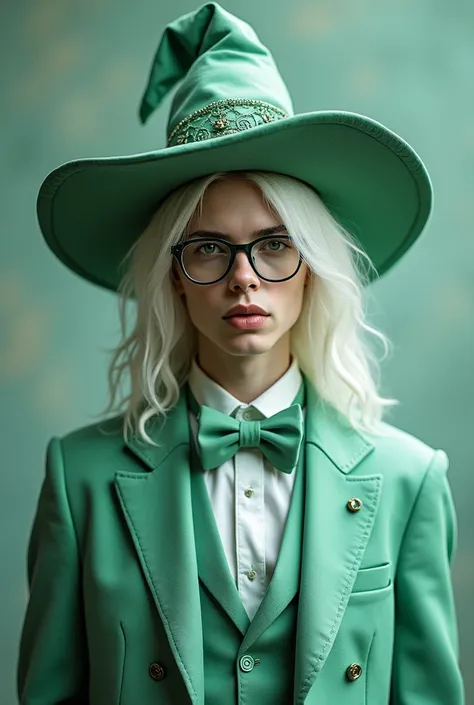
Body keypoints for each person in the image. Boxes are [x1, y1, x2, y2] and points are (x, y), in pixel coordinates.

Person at [16, 3, 465, 704]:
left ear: (312, 266)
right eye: (208, 248)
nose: (244, 275)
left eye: (275, 244)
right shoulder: (81, 479)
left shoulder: (409, 480)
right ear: (172, 274)